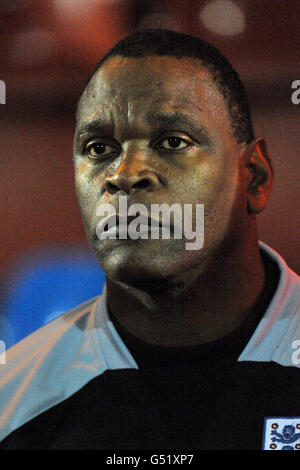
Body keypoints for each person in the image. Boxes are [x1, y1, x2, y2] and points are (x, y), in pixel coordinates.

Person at [0, 29, 299, 450]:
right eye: (99, 148)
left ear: (254, 177)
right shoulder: (12, 401)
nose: (123, 173)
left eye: (173, 141)